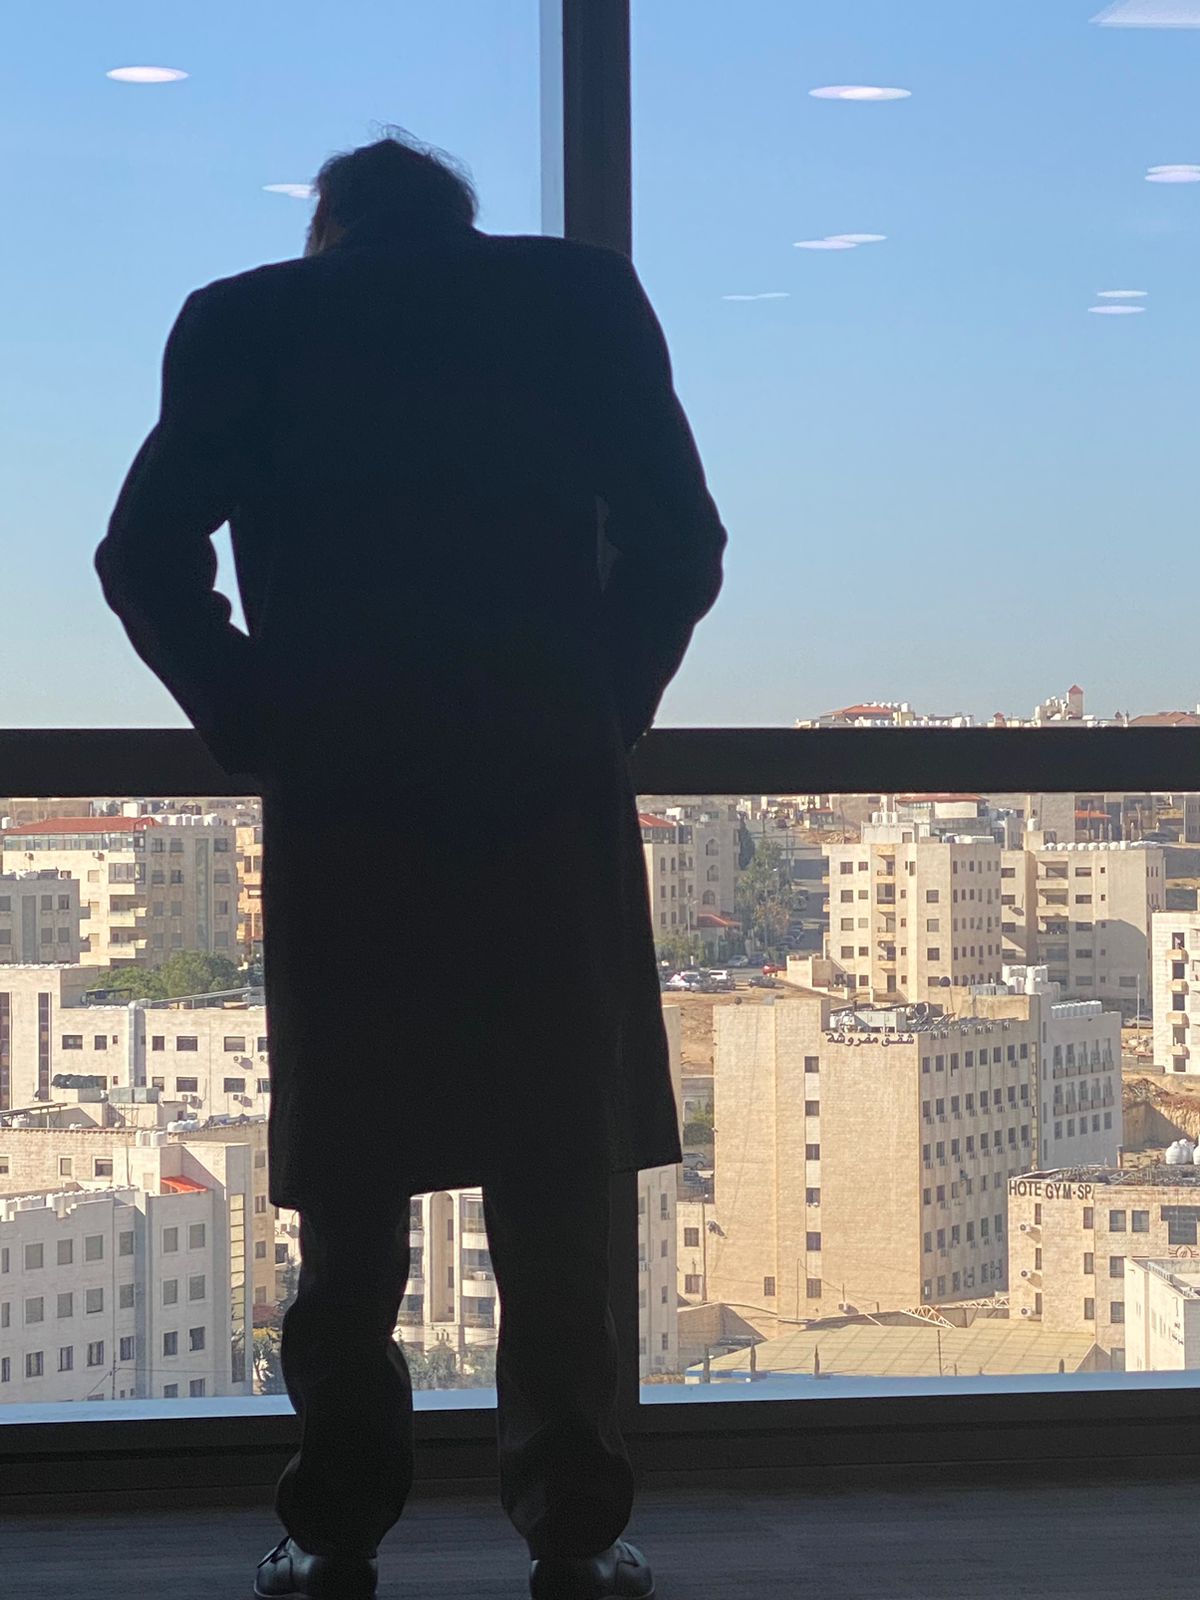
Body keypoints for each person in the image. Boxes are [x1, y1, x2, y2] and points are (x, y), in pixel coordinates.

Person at [95, 129, 726, 1600]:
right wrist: (602, 701)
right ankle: (574, 1529)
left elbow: (143, 556)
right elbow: (682, 541)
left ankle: (337, 1528)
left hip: (351, 798)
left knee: (352, 1190)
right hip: (539, 794)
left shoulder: (244, 320)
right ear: (463, 221)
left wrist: (258, 715)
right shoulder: (579, 299)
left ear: (328, 229)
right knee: (556, 1185)